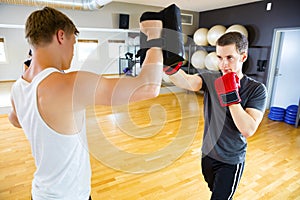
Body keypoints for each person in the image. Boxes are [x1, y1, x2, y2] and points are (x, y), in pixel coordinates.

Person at [8, 6, 164, 200]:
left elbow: (15, 120)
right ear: (60, 36)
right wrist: (155, 36)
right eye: (74, 43)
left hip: (40, 193)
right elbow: (148, 87)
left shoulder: (18, 86)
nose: (73, 52)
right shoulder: (69, 85)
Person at [166, 31, 267, 199]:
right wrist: (167, 64)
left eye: (229, 57)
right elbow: (188, 82)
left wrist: (231, 95)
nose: (223, 64)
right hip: (207, 154)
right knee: (214, 191)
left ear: (243, 57)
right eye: (220, 57)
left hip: (230, 160)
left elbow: (248, 129)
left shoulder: (256, 89)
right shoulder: (211, 79)